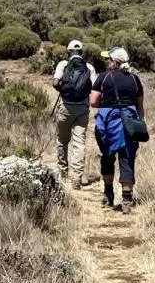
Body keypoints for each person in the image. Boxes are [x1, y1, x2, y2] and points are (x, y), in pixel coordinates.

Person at [91, 47, 145, 212]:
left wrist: (107, 103)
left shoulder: (103, 77)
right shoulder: (135, 79)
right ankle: (127, 200)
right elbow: (140, 106)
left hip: (108, 122)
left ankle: (108, 195)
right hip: (129, 121)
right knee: (127, 158)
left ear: (114, 61)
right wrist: (138, 123)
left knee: (107, 157)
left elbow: (93, 102)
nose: (106, 62)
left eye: (108, 59)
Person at [50, 40, 98, 187]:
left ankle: (63, 173)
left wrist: (65, 92)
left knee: (62, 141)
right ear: (81, 52)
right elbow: (94, 86)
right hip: (82, 108)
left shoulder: (62, 65)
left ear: (69, 51)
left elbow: (55, 83)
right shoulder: (89, 67)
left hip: (65, 107)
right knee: (79, 144)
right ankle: (76, 179)